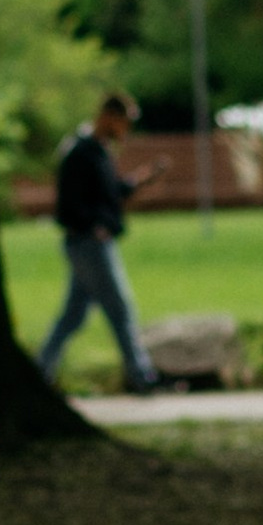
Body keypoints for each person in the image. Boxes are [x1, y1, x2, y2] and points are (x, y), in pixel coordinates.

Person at [37, 90, 166, 394]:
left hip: (92, 243)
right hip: (88, 245)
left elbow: (108, 194)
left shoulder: (99, 151)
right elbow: (69, 204)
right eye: (125, 121)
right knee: (120, 308)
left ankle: (41, 370)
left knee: (73, 315)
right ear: (109, 116)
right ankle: (141, 375)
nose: (127, 130)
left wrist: (140, 180)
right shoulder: (80, 151)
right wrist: (94, 227)